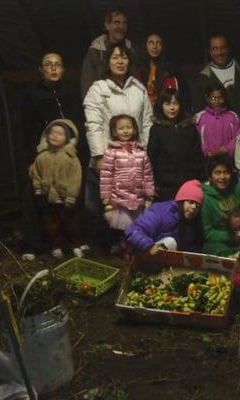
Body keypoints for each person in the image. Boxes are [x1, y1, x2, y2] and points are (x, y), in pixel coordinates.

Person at [14, 52, 86, 260]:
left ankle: (71, 243)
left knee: (69, 199)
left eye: (57, 65)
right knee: (38, 199)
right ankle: (33, 244)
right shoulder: (30, 95)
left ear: (63, 69)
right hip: (41, 157)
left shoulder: (70, 93)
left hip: (66, 157)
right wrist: (30, 159)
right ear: (41, 69)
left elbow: (79, 124)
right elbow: (24, 129)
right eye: (48, 65)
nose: (53, 68)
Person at [83, 42, 152, 247]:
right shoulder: (98, 89)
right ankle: (102, 249)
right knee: (104, 207)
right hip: (108, 159)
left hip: (134, 160)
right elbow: (93, 124)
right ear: (108, 62)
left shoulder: (139, 89)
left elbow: (147, 123)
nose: (120, 61)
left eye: (124, 57)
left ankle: (130, 247)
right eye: (115, 57)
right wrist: (98, 155)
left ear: (129, 61)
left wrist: (145, 152)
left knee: (131, 208)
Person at [31, 119, 84, 259]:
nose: (55, 136)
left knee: (70, 223)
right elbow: (36, 173)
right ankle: (56, 246)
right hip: (49, 197)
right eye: (52, 133)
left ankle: (75, 245)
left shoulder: (70, 158)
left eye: (60, 134)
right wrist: (38, 188)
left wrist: (72, 195)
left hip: (66, 198)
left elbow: (75, 178)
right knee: (52, 225)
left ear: (67, 138)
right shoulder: (41, 156)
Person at [100, 114, 155, 234]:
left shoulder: (141, 152)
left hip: (138, 200)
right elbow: (106, 177)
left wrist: (149, 194)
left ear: (134, 129)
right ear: (114, 132)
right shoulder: (111, 152)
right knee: (123, 231)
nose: (125, 131)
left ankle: (134, 250)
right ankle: (123, 248)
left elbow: (148, 176)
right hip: (119, 200)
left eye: (128, 127)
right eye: (121, 128)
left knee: (138, 229)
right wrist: (106, 197)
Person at [147, 88, 203, 201]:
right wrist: (152, 183)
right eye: (167, 104)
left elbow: (197, 155)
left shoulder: (190, 128)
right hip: (164, 187)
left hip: (188, 183)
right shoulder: (156, 129)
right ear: (161, 105)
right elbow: (151, 158)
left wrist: (199, 178)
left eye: (175, 104)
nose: (172, 108)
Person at [201, 155, 240, 256]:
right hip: (218, 242)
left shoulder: (235, 189)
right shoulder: (204, 198)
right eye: (217, 173)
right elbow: (208, 234)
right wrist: (233, 235)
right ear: (210, 177)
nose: (222, 177)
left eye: (226, 172)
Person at [125, 180, 204, 254]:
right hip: (145, 252)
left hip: (168, 259)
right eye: (190, 202)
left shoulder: (192, 222)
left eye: (198, 206)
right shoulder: (160, 211)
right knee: (170, 242)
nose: (194, 207)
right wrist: (149, 246)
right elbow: (133, 230)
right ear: (181, 201)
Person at [191, 34, 240, 118]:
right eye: (215, 49)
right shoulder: (202, 79)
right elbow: (199, 113)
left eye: (222, 47)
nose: (219, 53)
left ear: (228, 48)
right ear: (210, 52)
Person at [80, 8, 134, 98]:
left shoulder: (131, 51)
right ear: (107, 25)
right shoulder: (95, 52)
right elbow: (87, 87)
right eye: (117, 22)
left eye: (124, 23)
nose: (121, 27)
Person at [135, 32, 190, 108]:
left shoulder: (171, 70)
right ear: (145, 47)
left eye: (158, 43)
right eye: (151, 43)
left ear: (162, 47)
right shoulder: (138, 70)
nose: (155, 46)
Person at [195, 81, 240, 160]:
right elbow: (197, 138)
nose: (217, 101)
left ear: (224, 98)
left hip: (228, 160)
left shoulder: (233, 117)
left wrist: (228, 148)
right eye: (213, 98)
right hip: (208, 160)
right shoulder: (200, 118)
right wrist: (205, 151)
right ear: (207, 99)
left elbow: (239, 136)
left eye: (220, 98)